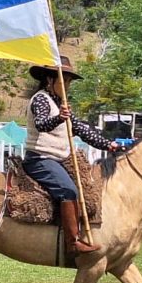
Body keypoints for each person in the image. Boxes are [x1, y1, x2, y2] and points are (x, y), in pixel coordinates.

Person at [23, 56, 120, 255]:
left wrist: (109, 145)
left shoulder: (60, 103)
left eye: (69, 81)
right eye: (64, 80)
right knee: (68, 190)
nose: (68, 85)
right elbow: (42, 123)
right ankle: (73, 242)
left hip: (58, 159)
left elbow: (83, 130)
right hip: (40, 159)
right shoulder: (41, 99)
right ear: (50, 80)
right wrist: (59, 118)